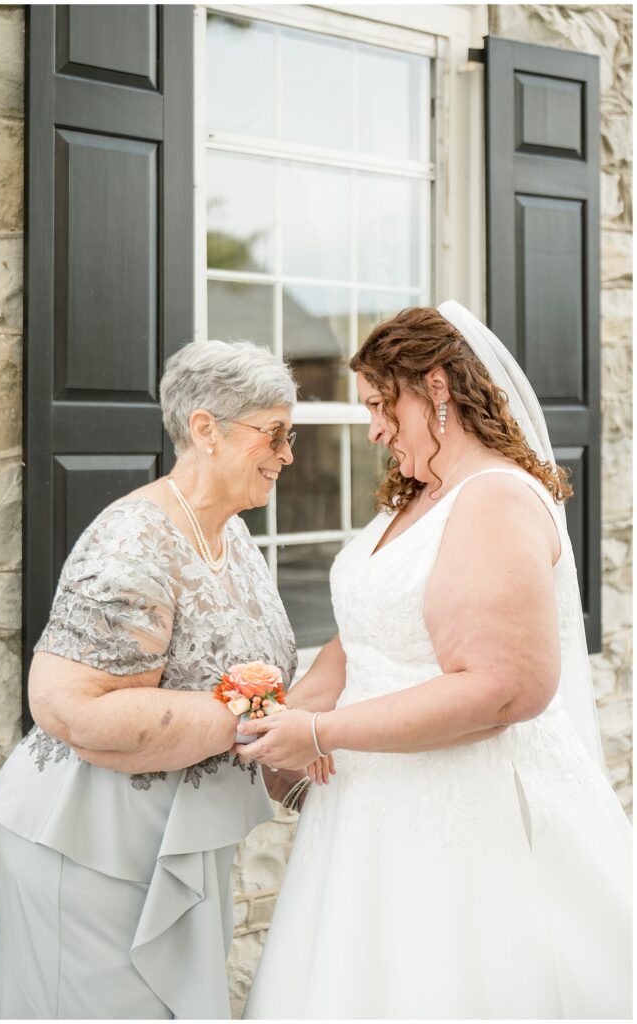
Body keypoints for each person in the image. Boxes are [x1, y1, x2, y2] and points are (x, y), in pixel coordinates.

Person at [238, 302, 632, 1020]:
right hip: (369, 812)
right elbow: (361, 631)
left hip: (464, 823)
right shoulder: (418, 496)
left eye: (381, 404)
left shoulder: (495, 503)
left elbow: (503, 691)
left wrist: (326, 735)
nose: (374, 428)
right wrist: (295, 711)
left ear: (438, 388)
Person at [0, 339, 319, 1019]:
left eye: (293, 435)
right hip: (93, 846)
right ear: (206, 429)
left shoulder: (230, 534)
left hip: (178, 839)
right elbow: (72, 711)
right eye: (275, 434)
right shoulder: (133, 542)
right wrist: (250, 720)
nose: (288, 454)